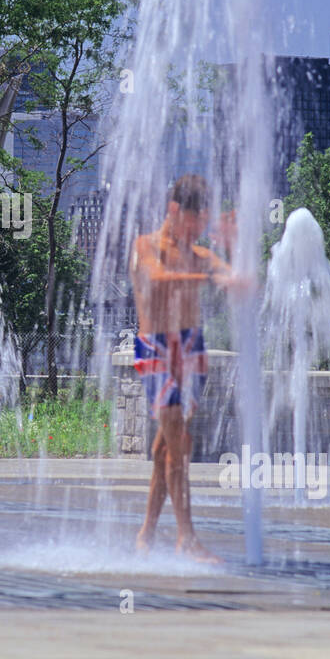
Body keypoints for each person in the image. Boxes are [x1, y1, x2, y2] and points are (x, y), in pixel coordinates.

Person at [130, 174, 248, 561]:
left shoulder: (198, 253)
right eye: (195, 222)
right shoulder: (144, 246)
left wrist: (233, 259)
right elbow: (158, 280)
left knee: (169, 444)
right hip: (157, 349)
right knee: (179, 441)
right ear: (175, 210)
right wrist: (210, 274)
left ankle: (146, 535)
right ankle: (186, 538)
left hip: (192, 348)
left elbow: (231, 276)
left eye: (204, 225)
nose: (198, 232)